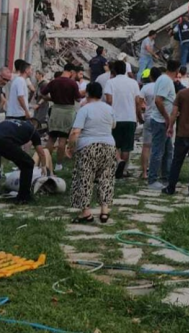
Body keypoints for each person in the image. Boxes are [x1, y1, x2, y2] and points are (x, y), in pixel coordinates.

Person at [66, 82, 117, 223]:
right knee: (106, 177)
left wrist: (70, 147)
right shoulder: (109, 109)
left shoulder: (85, 109)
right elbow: (113, 125)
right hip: (108, 145)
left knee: (85, 178)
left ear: (87, 93)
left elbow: (75, 132)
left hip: (88, 147)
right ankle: (104, 211)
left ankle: (86, 212)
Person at [0, 119, 51, 202]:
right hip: (3, 141)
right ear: (36, 127)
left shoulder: (12, 121)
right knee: (28, 164)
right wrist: (43, 165)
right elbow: (41, 152)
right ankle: (24, 197)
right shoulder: (33, 130)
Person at [106, 60, 142, 179]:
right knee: (126, 146)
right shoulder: (133, 83)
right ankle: (123, 170)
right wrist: (138, 116)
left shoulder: (110, 82)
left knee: (114, 144)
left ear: (114, 70)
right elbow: (137, 102)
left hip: (115, 118)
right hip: (130, 118)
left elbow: (109, 100)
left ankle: (117, 163)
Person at [146, 60, 179, 190]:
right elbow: (158, 100)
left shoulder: (164, 79)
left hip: (165, 122)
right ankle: (152, 179)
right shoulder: (166, 81)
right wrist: (166, 117)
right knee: (158, 152)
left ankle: (166, 177)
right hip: (161, 121)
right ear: (177, 70)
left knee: (167, 151)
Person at [45, 63, 82, 170]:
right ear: (72, 72)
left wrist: (51, 99)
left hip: (55, 110)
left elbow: (42, 93)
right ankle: (58, 164)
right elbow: (78, 99)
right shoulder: (72, 83)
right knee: (62, 139)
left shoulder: (53, 82)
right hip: (67, 112)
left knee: (51, 138)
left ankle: (46, 162)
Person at [139, 68, 160, 181]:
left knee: (146, 146)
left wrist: (139, 117)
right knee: (158, 146)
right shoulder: (162, 87)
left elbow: (139, 103)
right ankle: (155, 171)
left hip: (148, 118)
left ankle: (144, 172)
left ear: (150, 76)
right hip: (160, 118)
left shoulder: (145, 88)